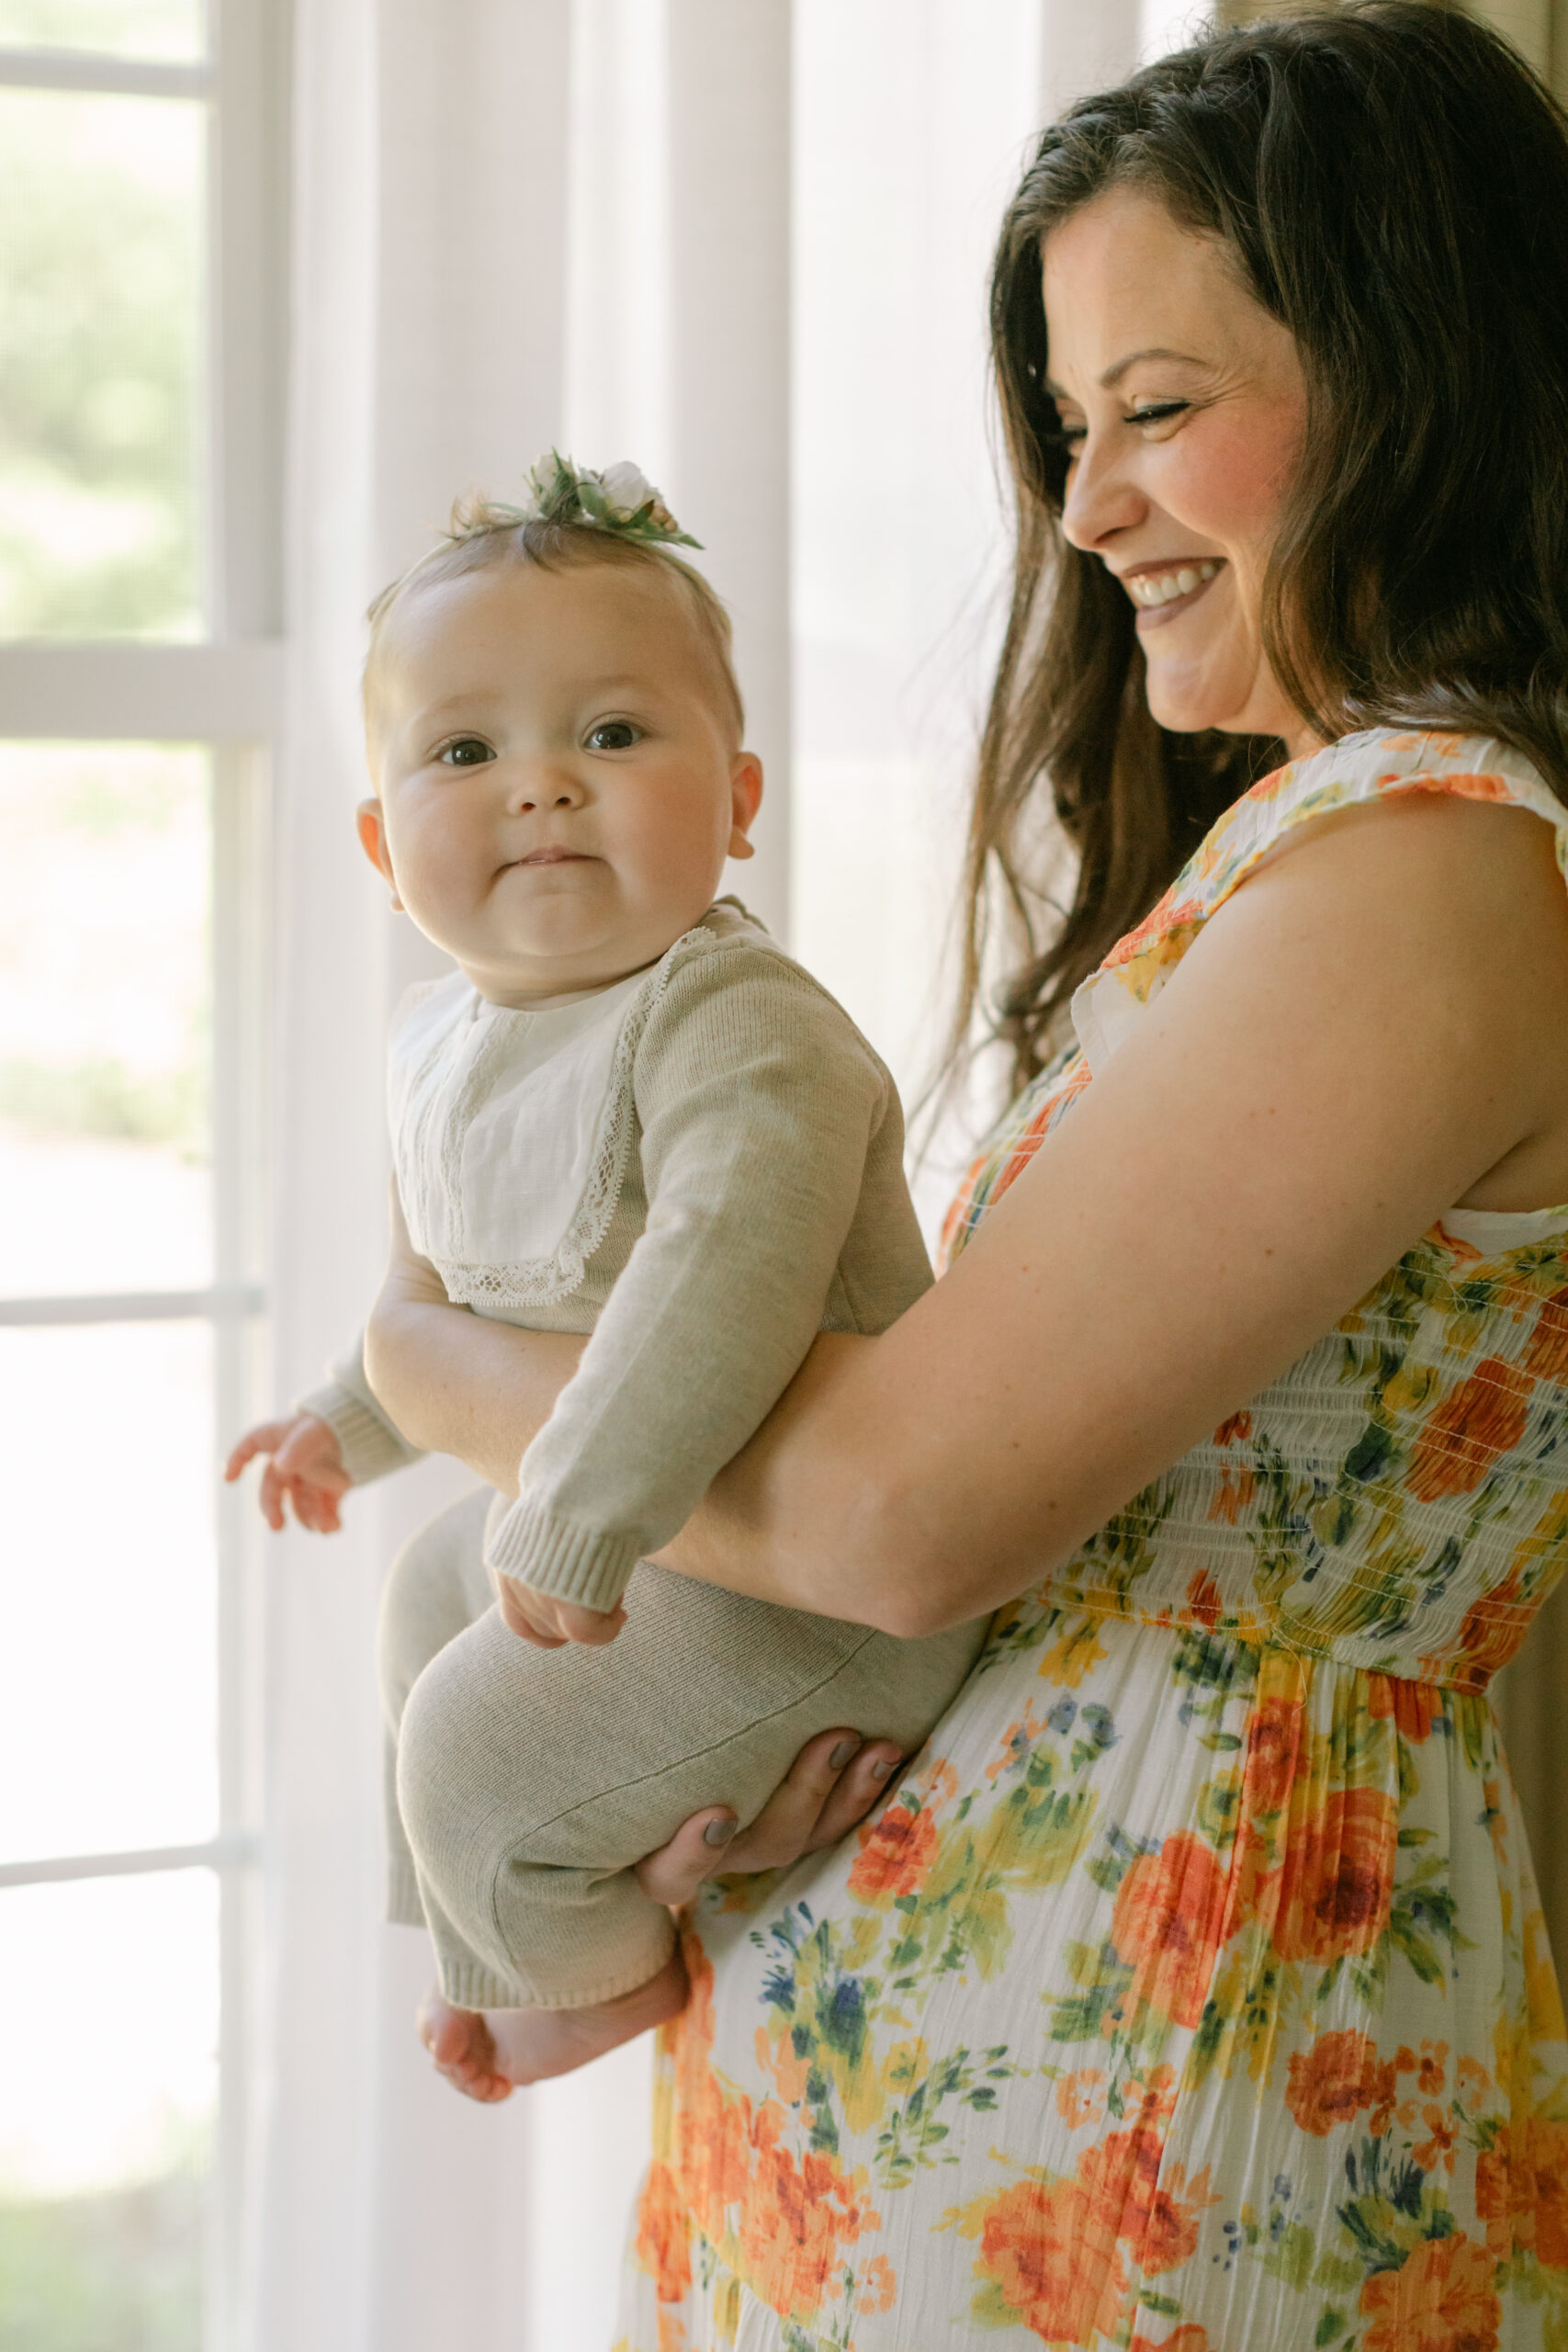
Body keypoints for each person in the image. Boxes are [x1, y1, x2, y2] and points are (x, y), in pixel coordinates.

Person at [362, 6, 1568, 2345]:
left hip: (1171, 2049)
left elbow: (899, 1507)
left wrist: (430, 1356)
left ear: (1417, 376)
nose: (1085, 504)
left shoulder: (1427, 882)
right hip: (973, 2016)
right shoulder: (1305, 848)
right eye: (1064, 426)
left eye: (1154, 411)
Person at [225, 453, 987, 2098]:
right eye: (465, 749)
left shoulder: (739, 1024)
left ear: (739, 801)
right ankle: (507, 1937)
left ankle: (577, 1974)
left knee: (471, 1736)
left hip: (816, 1582)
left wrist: (574, 1512)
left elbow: (715, 1284)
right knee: (428, 1590)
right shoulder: (444, 1041)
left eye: (615, 734)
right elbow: (448, 1301)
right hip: (665, 1535)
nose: (542, 785)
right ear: (379, 837)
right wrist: (338, 1427)